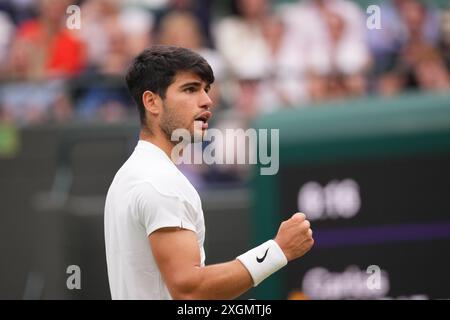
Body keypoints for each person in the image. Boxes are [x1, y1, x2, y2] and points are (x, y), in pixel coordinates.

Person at [104, 45, 314, 300]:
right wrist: (278, 251)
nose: (206, 100)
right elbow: (190, 291)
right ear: (152, 102)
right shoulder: (159, 182)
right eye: (190, 89)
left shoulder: (132, 174)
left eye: (206, 89)